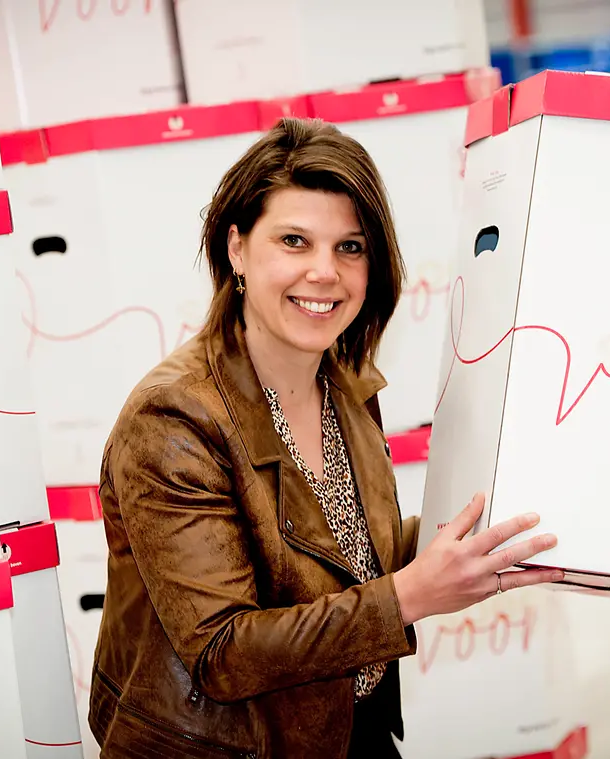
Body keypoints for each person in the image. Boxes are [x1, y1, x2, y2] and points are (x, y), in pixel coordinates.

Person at [90, 116, 563, 759]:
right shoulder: (173, 418)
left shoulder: (345, 385)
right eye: (294, 241)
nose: (324, 272)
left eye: (349, 247)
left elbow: (349, 555)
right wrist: (410, 596)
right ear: (237, 249)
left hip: (349, 731)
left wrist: (485, 530)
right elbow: (223, 653)